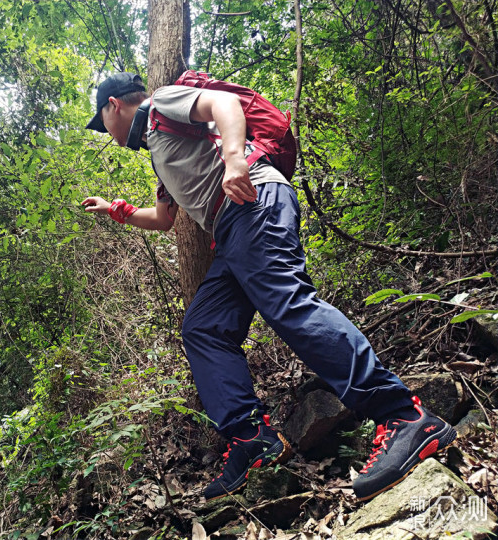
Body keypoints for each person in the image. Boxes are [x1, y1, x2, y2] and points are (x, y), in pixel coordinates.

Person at [81, 72, 457, 502]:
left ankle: (402, 416)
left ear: (114, 105)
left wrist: (236, 159)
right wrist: (117, 209)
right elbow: (165, 218)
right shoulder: (161, 149)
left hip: (253, 202)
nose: (107, 135)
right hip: (230, 232)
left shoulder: (165, 103)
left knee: (288, 303)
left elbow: (225, 107)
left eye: (102, 124)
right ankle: (251, 439)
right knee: (203, 329)